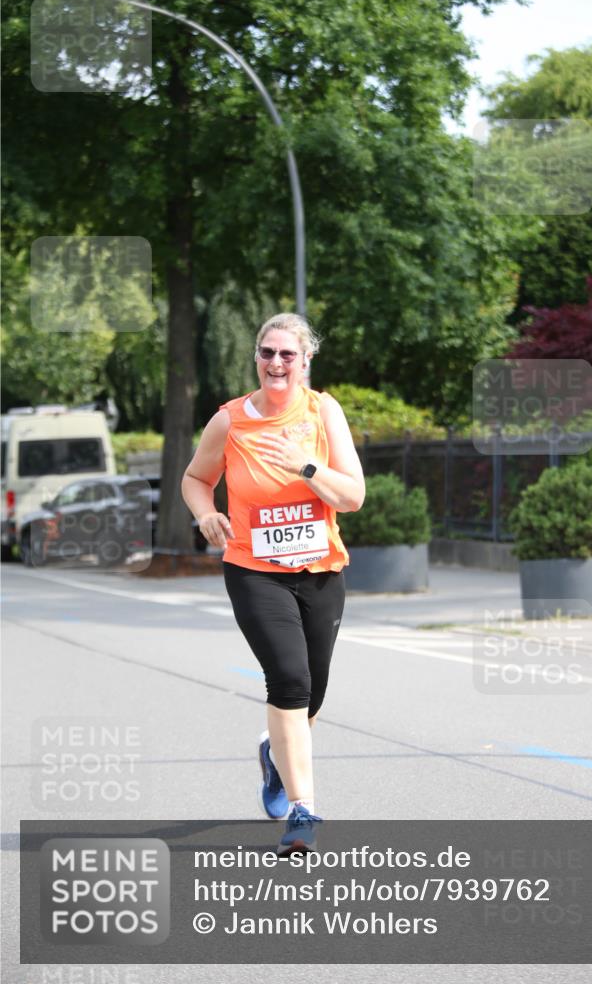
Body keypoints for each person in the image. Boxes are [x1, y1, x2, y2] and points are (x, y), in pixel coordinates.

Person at [181, 313, 365, 854]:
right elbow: (196, 478)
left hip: (321, 570)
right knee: (287, 679)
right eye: (267, 352)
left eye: (288, 354)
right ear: (256, 357)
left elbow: (352, 497)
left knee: (313, 691)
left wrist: (308, 467)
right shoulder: (230, 421)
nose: (276, 363)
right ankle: (304, 811)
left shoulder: (323, 411)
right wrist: (205, 513)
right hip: (254, 570)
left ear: (305, 361)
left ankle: (273, 751)